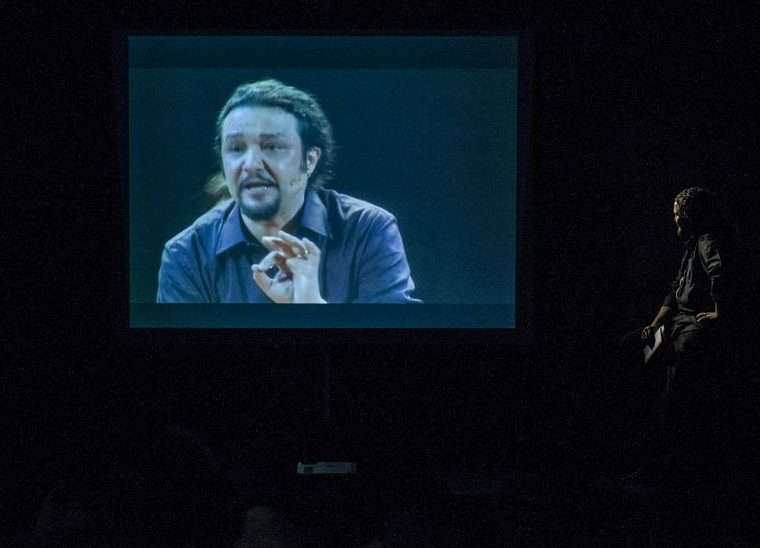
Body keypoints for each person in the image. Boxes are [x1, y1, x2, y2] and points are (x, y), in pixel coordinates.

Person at [157, 79, 420, 304]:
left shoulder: (368, 230)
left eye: (272, 147)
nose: (251, 164)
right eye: (236, 148)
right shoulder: (187, 254)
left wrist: (313, 309)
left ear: (310, 160)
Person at [620, 186, 736, 492]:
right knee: (631, 346)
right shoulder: (691, 246)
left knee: (673, 395)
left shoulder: (708, 242)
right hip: (676, 325)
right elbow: (675, 290)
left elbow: (720, 274)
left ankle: (659, 469)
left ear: (691, 214)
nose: (674, 220)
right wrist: (654, 324)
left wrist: (720, 312)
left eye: (678, 214)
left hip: (690, 329)